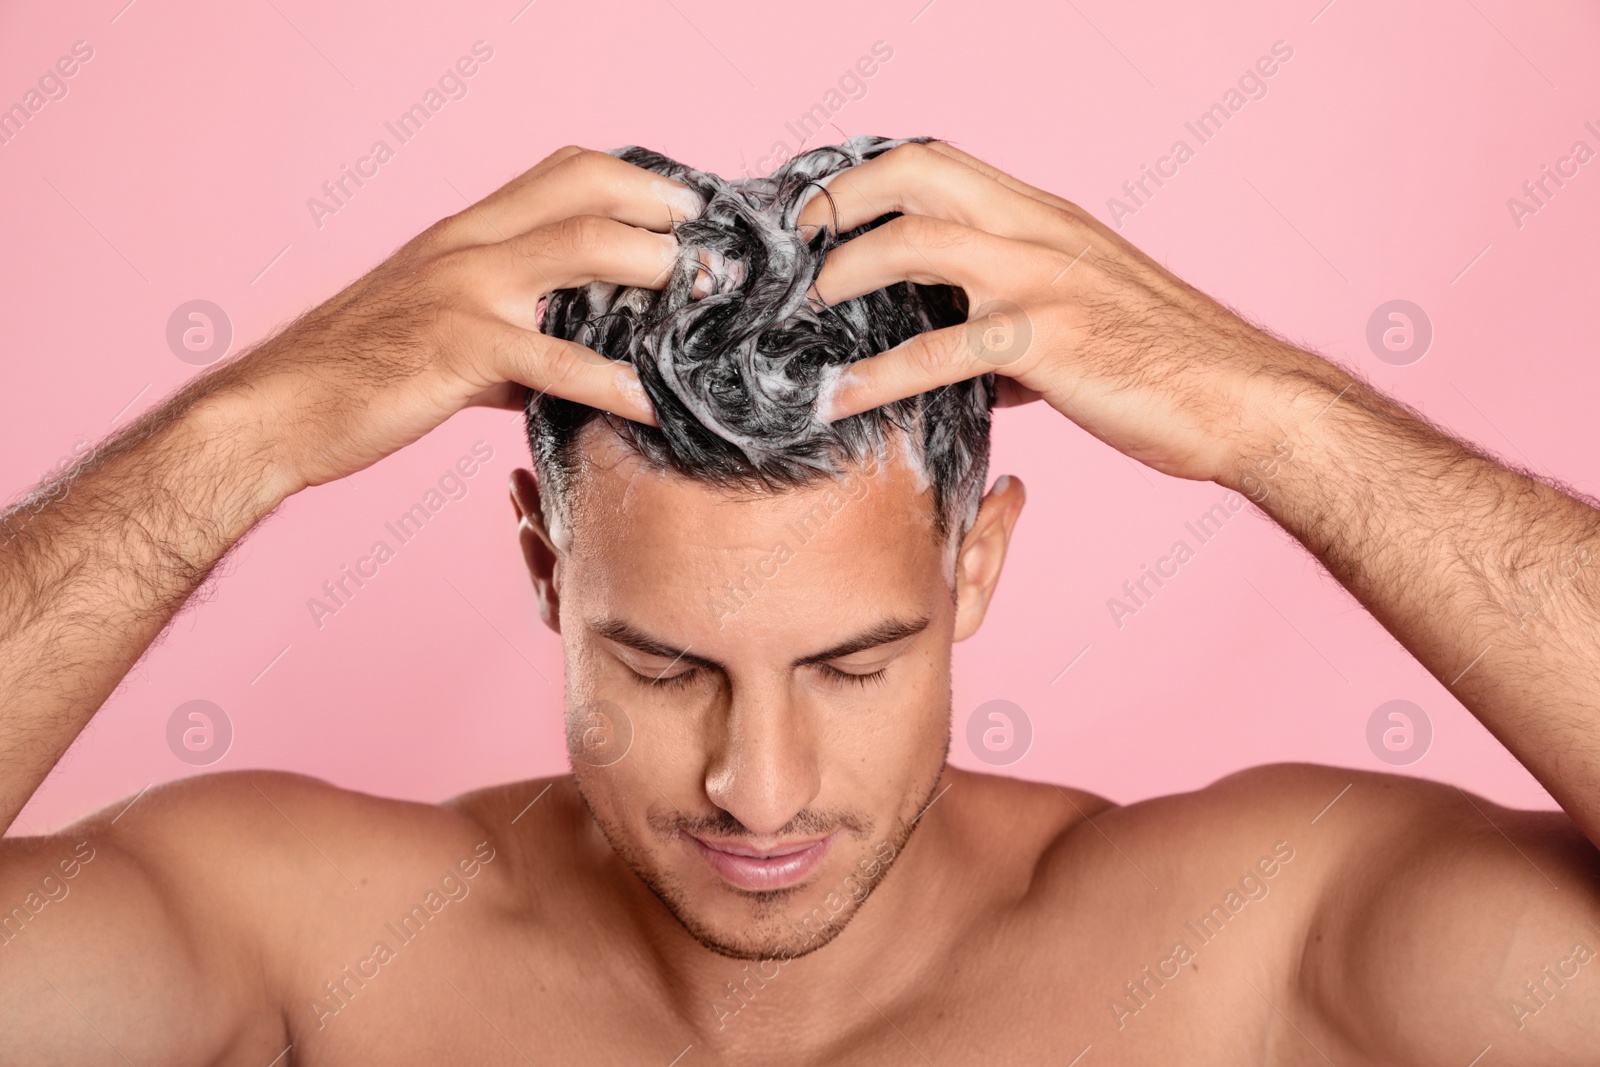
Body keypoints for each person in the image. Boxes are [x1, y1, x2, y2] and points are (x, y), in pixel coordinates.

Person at [1, 138, 1596, 1065]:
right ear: (547, 570)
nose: (754, 789)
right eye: (661, 663)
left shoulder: (1242, 951)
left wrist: (1275, 416)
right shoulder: (307, 947)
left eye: (852, 665)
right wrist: (240, 435)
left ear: (974, 566)